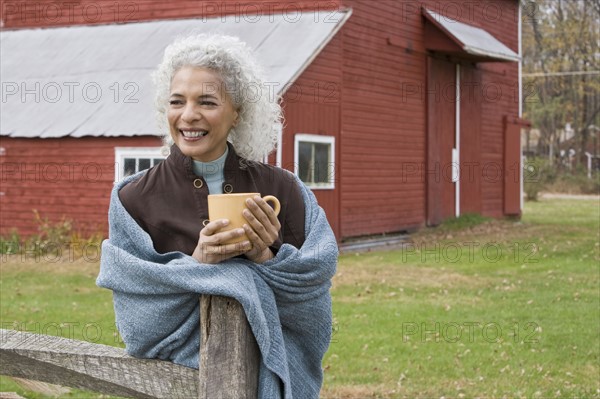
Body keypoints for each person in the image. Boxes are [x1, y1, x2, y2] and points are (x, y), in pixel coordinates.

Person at [97, 33, 338, 399]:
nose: (188, 115)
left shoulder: (287, 190)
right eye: (177, 101)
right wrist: (199, 264)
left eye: (207, 102)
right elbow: (138, 327)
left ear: (237, 112)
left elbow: (313, 307)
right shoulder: (133, 199)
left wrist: (266, 257)